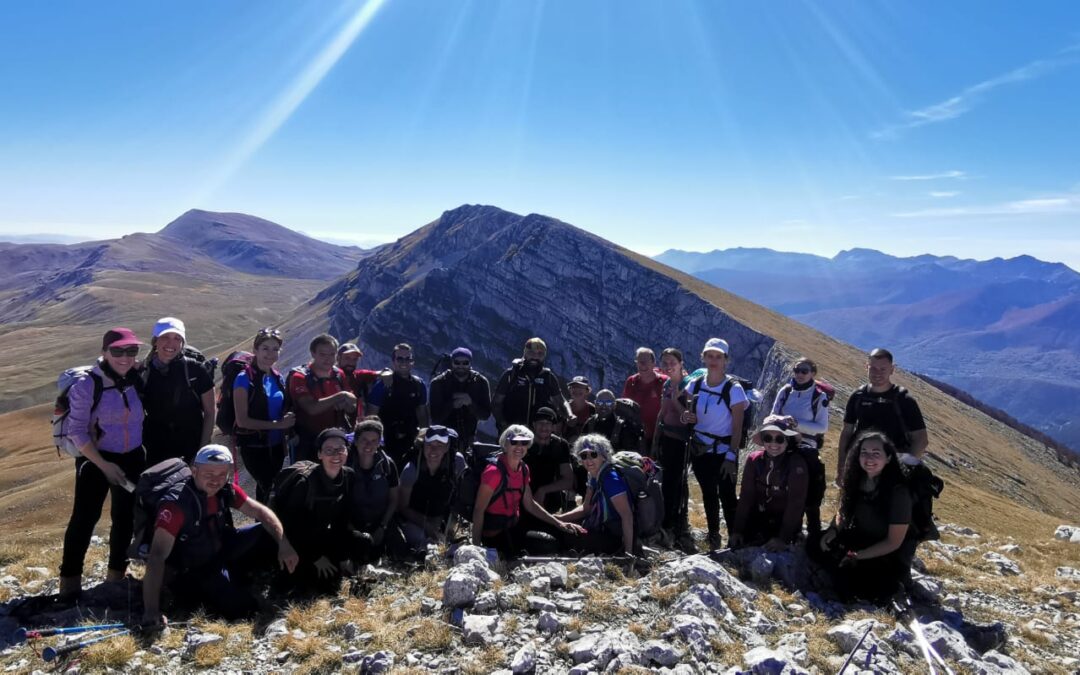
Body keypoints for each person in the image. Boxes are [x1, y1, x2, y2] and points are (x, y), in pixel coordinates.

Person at [141, 445, 299, 625]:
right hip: (195, 566)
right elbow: (157, 556)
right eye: (209, 474)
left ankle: (279, 577)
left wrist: (283, 544)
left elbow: (262, 513)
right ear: (194, 471)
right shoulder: (176, 506)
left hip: (220, 547)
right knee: (242, 609)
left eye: (222, 474)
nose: (216, 480)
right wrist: (151, 611)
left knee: (270, 529)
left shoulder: (226, 490)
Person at [59, 328, 149, 600]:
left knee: (124, 519)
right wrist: (104, 465)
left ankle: (115, 579)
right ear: (104, 352)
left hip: (132, 457)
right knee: (84, 519)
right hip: (95, 459)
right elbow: (76, 431)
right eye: (118, 351)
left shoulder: (136, 379)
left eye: (131, 351)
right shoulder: (88, 384)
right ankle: (69, 585)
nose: (125, 357)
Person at [815, 430, 916, 604]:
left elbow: (893, 542)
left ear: (889, 458)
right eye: (864, 452)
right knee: (815, 542)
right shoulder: (856, 479)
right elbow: (843, 511)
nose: (869, 458)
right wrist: (833, 530)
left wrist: (857, 556)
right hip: (859, 539)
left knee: (862, 582)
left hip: (885, 552)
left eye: (876, 454)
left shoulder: (899, 492)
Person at [272, 428, 367, 593]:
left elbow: (341, 520)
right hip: (294, 542)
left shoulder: (348, 476)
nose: (335, 455)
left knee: (363, 541)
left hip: (320, 535)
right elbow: (290, 526)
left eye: (340, 449)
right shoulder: (304, 483)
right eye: (329, 450)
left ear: (347, 452)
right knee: (321, 584)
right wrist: (316, 557)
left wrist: (343, 556)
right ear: (319, 454)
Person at [471, 425, 583, 556]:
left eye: (524, 442)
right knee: (548, 544)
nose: (519, 447)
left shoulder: (523, 468)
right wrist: (476, 547)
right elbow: (479, 510)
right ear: (505, 444)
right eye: (514, 442)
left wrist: (559, 523)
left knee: (560, 533)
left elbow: (530, 504)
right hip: (495, 534)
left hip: (514, 527)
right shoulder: (493, 472)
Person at [681, 338, 748, 550]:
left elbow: (737, 428)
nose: (713, 360)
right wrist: (686, 418)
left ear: (726, 360)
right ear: (703, 357)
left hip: (723, 451)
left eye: (718, 357)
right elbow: (689, 413)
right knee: (709, 493)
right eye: (710, 356)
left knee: (727, 494)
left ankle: (736, 537)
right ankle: (713, 536)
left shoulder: (734, 390)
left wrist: (731, 456)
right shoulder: (696, 384)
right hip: (700, 449)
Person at [837, 348, 928, 482]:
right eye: (873, 368)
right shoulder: (858, 397)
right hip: (860, 466)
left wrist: (904, 469)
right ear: (866, 367)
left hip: (892, 470)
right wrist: (841, 468)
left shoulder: (904, 400)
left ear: (892, 369)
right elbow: (846, 433)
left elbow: (921, 439)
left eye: (883, 369)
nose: (877, 373)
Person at [141, 317, 215, 465]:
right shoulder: (144, 371)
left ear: (182, 343)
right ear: (155, 341)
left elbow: (210, 412)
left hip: (191, 446)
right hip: (156, 448)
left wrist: (202, 450)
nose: (171, 343)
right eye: (165, 337)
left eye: (177, 338)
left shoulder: (195, 370)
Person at [233, 328, 294, 503]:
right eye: (265, 348)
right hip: (254, 447)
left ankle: (263, 526)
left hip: (276, 446)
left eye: (275, 349)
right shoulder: (243, 379)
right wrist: (279, 425)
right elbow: (242, 420)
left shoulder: (277, 377)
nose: (270, 353)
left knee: (268, 489)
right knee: (269, 488)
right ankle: (265, 526)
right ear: (255, 350)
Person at [771, 357, 829, 541]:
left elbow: (822, 427)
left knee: (811, 488)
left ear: (813, 373)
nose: (800, 374)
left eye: (804, 371)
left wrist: (797, 424)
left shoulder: (819, 396)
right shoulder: (786, 390)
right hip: (782, 444)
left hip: (806, 446)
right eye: (797, 370)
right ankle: (782, 527)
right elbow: (773, 414)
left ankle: (813, 532)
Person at [730, 417, 809, 550]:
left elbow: (796, 503)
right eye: (768, 438)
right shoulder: (754, 460)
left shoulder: (796, 464)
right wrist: (737, 531)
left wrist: (783, 538)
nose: (773, 444)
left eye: (779, 439)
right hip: (758, 519)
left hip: (783, 523)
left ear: (787, 440)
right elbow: (746, 496)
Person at [556, 435, 636, 555]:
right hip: (602, 527)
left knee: (566, 536)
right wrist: (558, 519)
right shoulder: (593, 475)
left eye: (593, 454)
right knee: (562, 529)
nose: (588, 460)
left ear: (603, 456)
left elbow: (627, 516)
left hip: (614, 534)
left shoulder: (611, 479)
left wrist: (628, 553)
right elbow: (585, 508)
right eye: (584, 456)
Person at [288, 334, 357, 463]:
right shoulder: (299, 377)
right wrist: (340, 396)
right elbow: (311, 408)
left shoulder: (338, 374)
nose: (328, 359)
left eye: (332, 354)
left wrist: (346, 404)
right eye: (322, 354)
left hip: (335, 438)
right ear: (313, 353)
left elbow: (352, 404)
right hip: (308, 441)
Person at [653, 347, 695, 552]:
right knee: (667, 482)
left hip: (681, 441)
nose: (669, 366)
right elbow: (662, 412)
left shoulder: (689, 386)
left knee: (676, 483)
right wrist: (655, 440)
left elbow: (689, 418)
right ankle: (668, 520)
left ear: (681, 363)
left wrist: (676, 400)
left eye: (672, 362)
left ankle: (676, 524)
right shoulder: (668, 384)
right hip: (666, 439)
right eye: (665, 363)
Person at [398, 425, 465, 552]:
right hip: (413, 518)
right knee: (420, 539)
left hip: (440, 516)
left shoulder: (457, 462)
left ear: (447, 448)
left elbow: (459, 493)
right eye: (429, 445)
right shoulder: (411, 470)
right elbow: (402, 506)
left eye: (439, 446)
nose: (433, 451)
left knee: (444, 540)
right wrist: (427, 526)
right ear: (423, 446)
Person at [367, 343, 429, 467]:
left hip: (411, 439)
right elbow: (371, 416)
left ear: (413, 362)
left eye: (408, 359)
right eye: (400, 358)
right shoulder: (382, 386)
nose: (404, 362)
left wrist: (424, 437)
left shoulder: (419, 385)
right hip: (386, 440)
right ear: (393, 361)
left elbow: (422, 413)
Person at [349, 417, 402, 560]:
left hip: (381, 522)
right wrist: (353, 531)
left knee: (401, 553)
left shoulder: (388, 465)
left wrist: (382, 527)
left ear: (379, 443)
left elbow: (393, 500)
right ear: (355, 441)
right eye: (364, 440)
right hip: (352, 525)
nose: (368, 445)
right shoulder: (345, 465)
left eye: (374, 441)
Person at [492, 337, 569, 432]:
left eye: (540, 353)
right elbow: (496, 403)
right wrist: (503, 424)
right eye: (531, 352)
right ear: (525, 353)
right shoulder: (511, 374)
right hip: (513, 433)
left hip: (539, 435)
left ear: (544, 356)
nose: (535, 357)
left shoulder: (549, 377)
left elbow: (561, 401)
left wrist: (569, 414)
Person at [429, 346, 492, 448]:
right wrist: (452, 404)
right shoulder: (438, 383)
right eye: (457, 362)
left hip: (469, 439)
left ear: (470, 363)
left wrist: (470, 403)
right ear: (452, 363)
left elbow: (485, 415)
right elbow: (435, 417)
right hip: (443, 438)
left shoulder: (481, 382)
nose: (461, 366)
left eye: (465, 363)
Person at [523, 407, 574, 515]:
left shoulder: (561, 445)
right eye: (540, 423)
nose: (544, 427)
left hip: (549, 498)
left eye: (548, 423)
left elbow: (569, 480)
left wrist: (543, 490)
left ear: (553, 427)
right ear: (533, 424)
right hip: (522, 495)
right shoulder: (523, 443)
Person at [621, 347, 669, 454]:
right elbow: (624, 408)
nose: (642, 365)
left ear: (653, 363)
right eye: (639, 362)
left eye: (645, 361)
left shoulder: (665, 382)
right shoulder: (631, 382)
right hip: (636, 437)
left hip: (660, 436)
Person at [336, 342, 379, 419]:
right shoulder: (329, 377)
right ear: (338, 358)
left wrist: (387, 374)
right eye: (347, 358)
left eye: (354, 359)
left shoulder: (358, 376)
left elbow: (380, 373)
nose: (351, 363)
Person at [563, 375, 595, 445]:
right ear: (569, 390)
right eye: (574, 387)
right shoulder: (563, 408)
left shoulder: (593, 410)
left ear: (587, 391)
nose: (577, 389)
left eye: (581, 387)